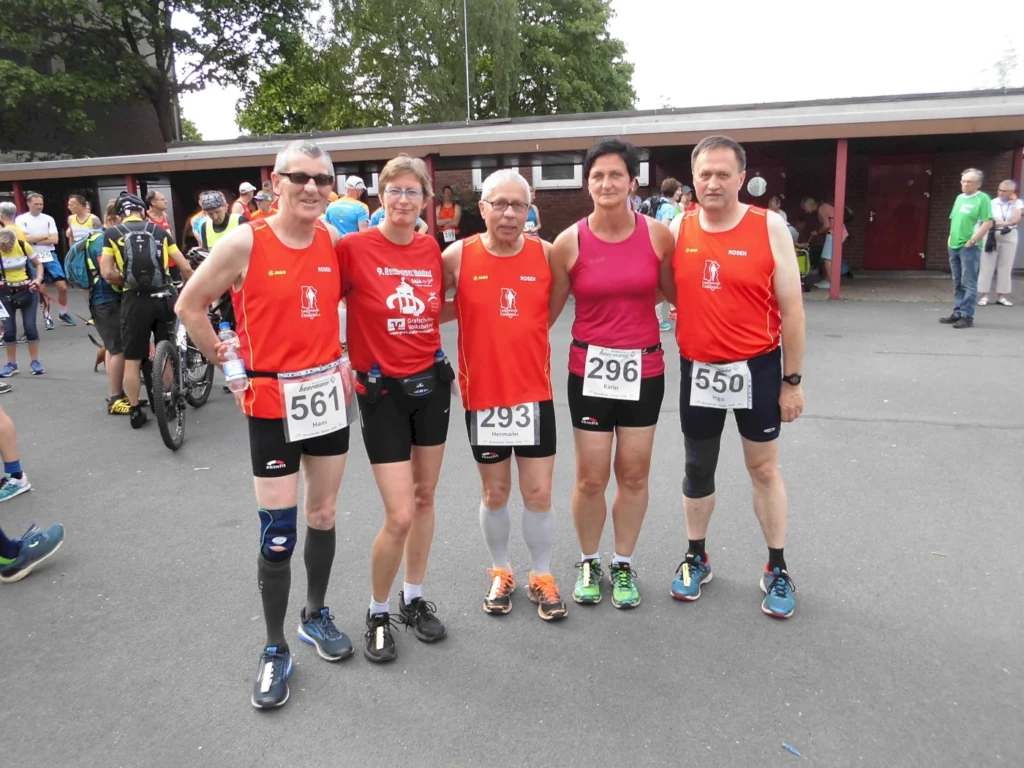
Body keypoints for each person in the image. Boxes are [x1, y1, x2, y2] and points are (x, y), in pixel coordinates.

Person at [177, 139, 353, 711]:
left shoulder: (330, 238)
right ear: (275, 181)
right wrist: (227, 367)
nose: (311, 188)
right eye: (298, 177)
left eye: (322, 180)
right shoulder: (246, 239)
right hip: (272, 401)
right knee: (278, 532)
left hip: (325, 395)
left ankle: (314, 615)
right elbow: (190, 304)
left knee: (323, 513)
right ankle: (274, 646)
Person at [659, 135, 805, 619]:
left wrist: (793, 380)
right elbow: (657, 287)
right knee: (698, 466)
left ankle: (777, 568)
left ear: (742, 178)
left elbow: (793, 310)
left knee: (763, 469)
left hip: (758, 368)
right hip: (699, 369)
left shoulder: (770, 226)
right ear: (692, 179)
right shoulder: (679, 227)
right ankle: (696, 556)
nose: (713, 183)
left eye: (724, 174)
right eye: (705, 174)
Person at [548, 138, 674, 610]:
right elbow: (546, 314)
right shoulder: (569, 242)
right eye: (597, 176)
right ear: (587, 184)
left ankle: (622, 562)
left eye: (615, 175)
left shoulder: (659, 236)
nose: (606, 183)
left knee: (635, 473)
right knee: (591, 477)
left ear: (632, 182)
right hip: (590, 372)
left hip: (644, 368)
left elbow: (679, 296)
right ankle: (588, 559)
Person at [336, 154, 451, 662]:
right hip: (380, 392)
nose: (404, 200)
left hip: (430, 385)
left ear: (426, 199)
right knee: (400, 513)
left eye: (413, 192)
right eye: (395, 191)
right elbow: (318, 299)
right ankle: (377, 610)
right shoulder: (353, 248)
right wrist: (335, 357)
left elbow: (444, 305)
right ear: (380, 196)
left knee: (425, 498)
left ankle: (413, 598)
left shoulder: (431, 249)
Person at [440, 169, 566, 621]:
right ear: (483, 207)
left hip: (534, 393)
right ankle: (501, 570)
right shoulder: (457, 256)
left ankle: (542, 575)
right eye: (499, 204)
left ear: (529, 210)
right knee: (495, 492)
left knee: (538, 492)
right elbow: (430, 310)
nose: (509, 214)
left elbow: (546, 315)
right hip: (484, 398)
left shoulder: (547, 255)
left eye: (518, 205)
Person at [99, 193, 193, 429]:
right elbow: (183, 266)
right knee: (167, 348)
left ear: (119, 214)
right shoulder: (160, 232)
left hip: (135, 299)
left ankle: (134, 410)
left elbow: (107, 273)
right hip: (164, 296)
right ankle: (168, 398)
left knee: (133, 359)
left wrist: (127, 282)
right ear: (142, 210)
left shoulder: (112, 234)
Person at [87, 201, 129, 414]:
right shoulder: (102, 239)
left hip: (110, 300)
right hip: (106, 300)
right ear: (112, 219)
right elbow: (108, 273)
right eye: (122, 221)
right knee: (116, 349)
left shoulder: (107, 237)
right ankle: (115, 397)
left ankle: (121, 394)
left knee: (118, 348)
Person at [941, 168, 993, 329]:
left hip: (969, 246)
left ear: (977, 184)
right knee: (957, 281)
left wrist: (973, 240)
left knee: (968, 282)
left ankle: (967, 316)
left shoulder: (982, 199)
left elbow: (987, 222)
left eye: (969, 181)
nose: (964, 184)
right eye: (963, 181)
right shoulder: (959, 198)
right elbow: (954, 219)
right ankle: (957, 312)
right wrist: (950, 238)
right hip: (954, 245)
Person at [15, 192, 74, 328]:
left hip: (49, 254)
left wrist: (35, 239)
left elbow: (55, 239)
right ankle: (47, 316)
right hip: (33, 256)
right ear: (29, 203)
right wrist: (45, 236)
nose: (39, 207)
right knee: (41, 287)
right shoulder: (21, 219)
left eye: (41, 204)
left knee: (62, 286)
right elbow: (24, 239)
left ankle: (63, 312)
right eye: (36, 204)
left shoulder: (48, 219)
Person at [0, 228, 44, 377]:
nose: (7, 249)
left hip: (27, 290)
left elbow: (38, 264)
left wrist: (37, 279)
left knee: (30, 327)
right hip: (5, 293)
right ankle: (11, 364)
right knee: (9, 330)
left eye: (9, 246)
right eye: (4, 247)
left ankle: (35, 361)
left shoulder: (23, 245)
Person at [978, 179, 1021, 307]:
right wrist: (1005, 223)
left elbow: (1016, 219)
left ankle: (1002, 296)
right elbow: (988, 220)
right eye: (999, 190)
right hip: (992, 234)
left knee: (1006, 265)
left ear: (1012, 192)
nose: (1001, 193)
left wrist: (1013, 204)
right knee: (987, 264)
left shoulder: (1017, 203)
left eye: (1005, 191)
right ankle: (983, 295)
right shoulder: (991, 203)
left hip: (1009, 235)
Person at [800, 197, 848, 290]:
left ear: (809, 205)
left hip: (834, 233)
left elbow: (827, 225)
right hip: (839, 232)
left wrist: (817, 232)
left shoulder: (821, 209)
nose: (806, 212)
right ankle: (827, 280)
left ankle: (831, 283)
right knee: (829, 258)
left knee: (827, 259)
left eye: (806, 209)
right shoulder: (824, 206)